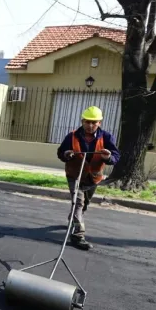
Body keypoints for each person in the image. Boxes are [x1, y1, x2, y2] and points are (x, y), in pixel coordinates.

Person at [57, 106, 120, 250]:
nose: (90, 125)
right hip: (74, 175)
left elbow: (116, 156)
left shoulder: (107, 137)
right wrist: (66, 154)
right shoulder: (71, 136)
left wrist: (108, 156)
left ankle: (73, 219)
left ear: (99, 123)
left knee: (84, 205)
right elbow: (60, 153)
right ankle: (78, 236)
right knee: (78, 203)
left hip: (93, 177)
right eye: (87, 122)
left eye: (94, 122)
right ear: (82, 121)